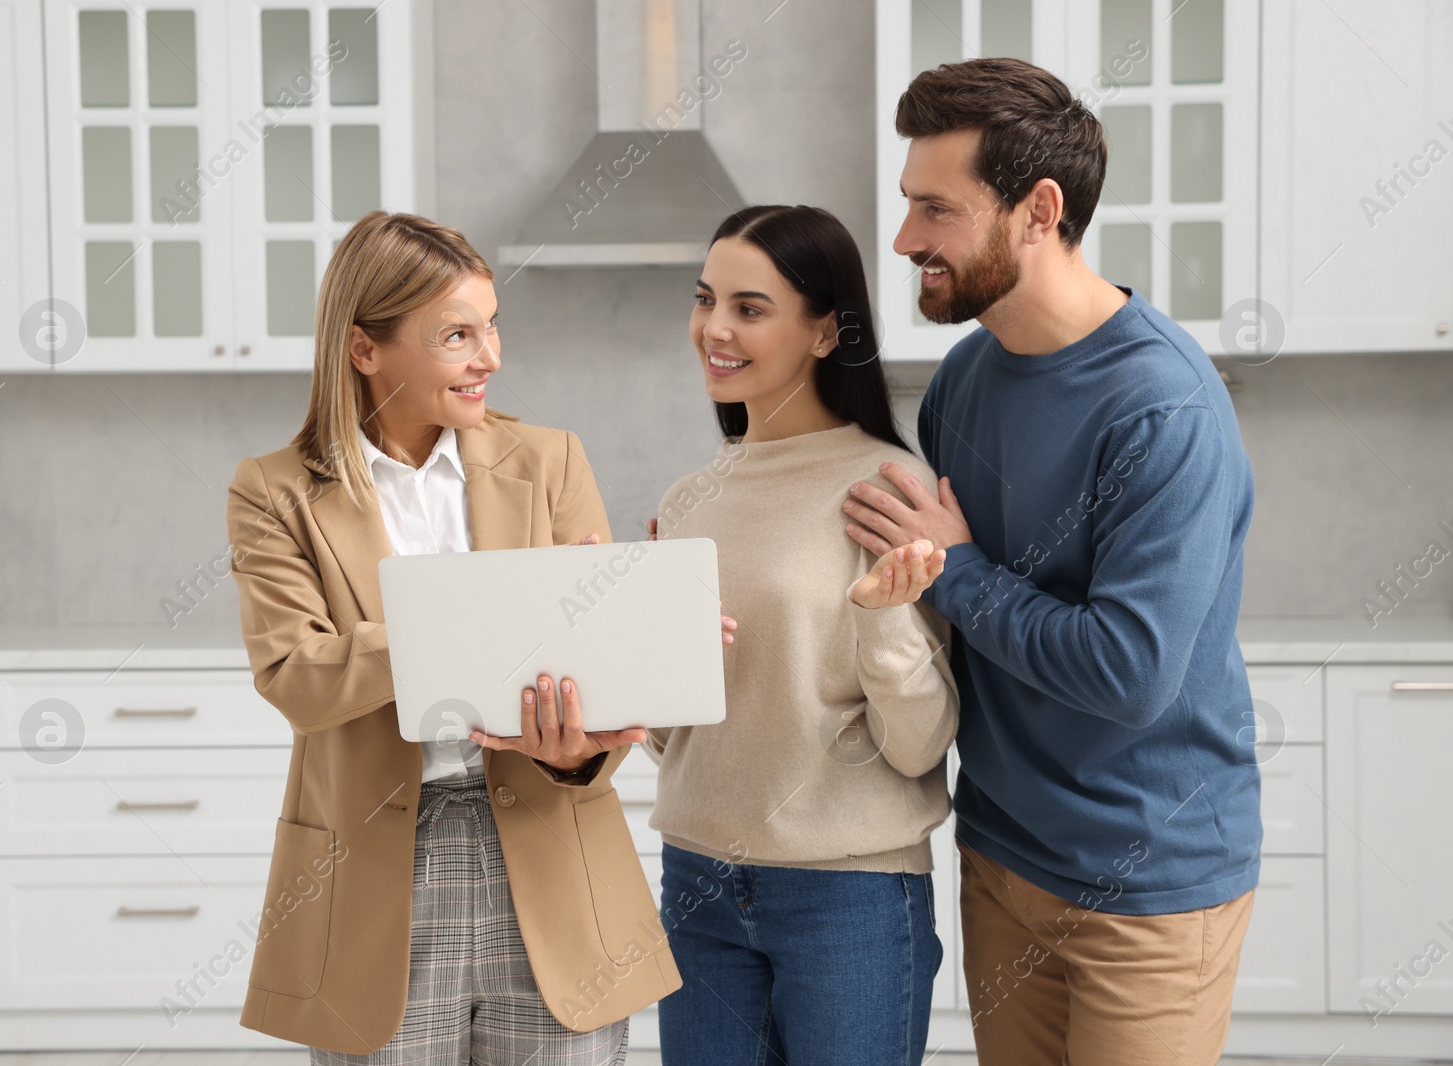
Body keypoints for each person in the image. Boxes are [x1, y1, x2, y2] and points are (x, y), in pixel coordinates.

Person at [843, 57, 1260, 1065]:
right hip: (1000, 857)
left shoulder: (1160, 408)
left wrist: (957, 566)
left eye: (934, 211)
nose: (904, 242)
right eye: (906, 206)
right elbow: (948, 615)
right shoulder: (964, 379)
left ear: (1038, 209)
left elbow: (1127, 671)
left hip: (1147, 881)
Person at [226, 210, 678, 1064]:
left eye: (491, 326)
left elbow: (597, 697)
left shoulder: (550, 460)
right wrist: (492, 616)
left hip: (551, 859)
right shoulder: (274, 492)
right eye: (457, 335)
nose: (490, 358)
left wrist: (581, 733)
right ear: (366, 348)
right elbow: (297, 674)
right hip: (377, 876)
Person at [644, 203, 960, 1065]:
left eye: (750, 308)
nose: (714, 327)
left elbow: (921, 744)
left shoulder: (888, 487)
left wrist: (883, 613)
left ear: (825, 330)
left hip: (848, 892)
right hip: (696, 878)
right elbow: (673, 739)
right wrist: (645, 651)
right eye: (706, 299)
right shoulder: (687, 500)